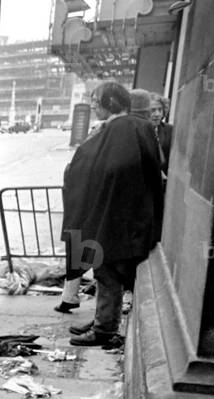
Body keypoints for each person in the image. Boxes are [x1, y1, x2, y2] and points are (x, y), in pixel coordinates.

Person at [61, 81, 163, 346]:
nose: (93, 105)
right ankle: (103, 319)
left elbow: (105, 168)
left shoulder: (123, 129)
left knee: (107, 271)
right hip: (125, 214)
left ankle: (105, 328)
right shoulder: (136, 128)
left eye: (96, 101)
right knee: (107, 270)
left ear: (111, 103)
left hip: (116, 216)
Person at [148, 92, 173, 177]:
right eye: (153, 110)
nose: (157, 114)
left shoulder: (170, 130)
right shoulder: (138, 130)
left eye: (160, 110)